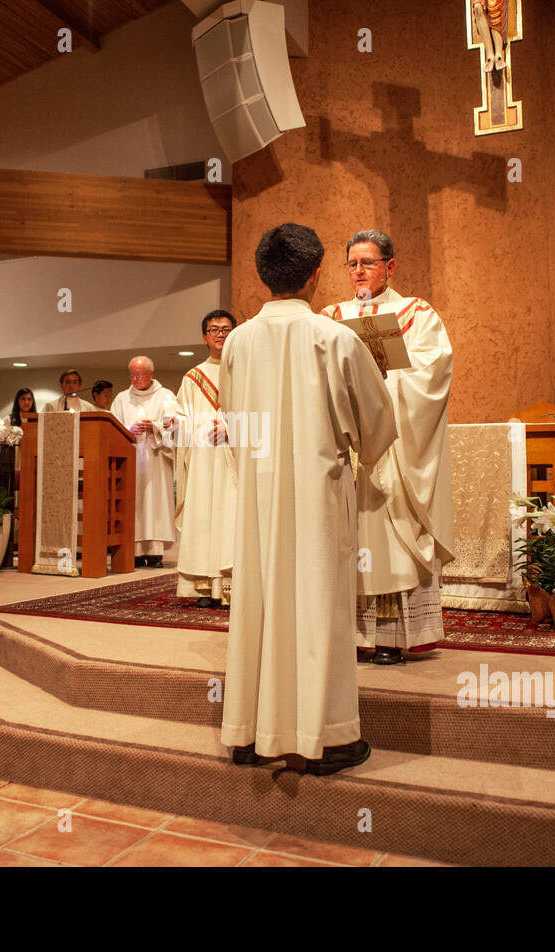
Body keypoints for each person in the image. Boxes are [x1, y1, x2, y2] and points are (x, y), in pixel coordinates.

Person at [220, 223, 396, 775]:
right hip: (317, 495)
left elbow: (232, 424)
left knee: (259, 604)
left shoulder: (238, 342)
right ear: (317, 274)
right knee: (318, 605)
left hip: (256, 493)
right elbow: (377, 427)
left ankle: (249, 732)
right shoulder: (336, 338)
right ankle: (327, 738)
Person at [321, 230, 455, 664]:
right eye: (352, 264)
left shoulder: (417, 314)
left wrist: (377, 384)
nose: (359, 272)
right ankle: (351, 635)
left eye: (369, 263)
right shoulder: (330, 316)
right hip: (345, 448)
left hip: (393, 450)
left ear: (391, 267)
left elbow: (430, 377)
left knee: (388, 537)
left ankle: (393, 638)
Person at [174, 309, 237, 608]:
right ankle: (202, 585)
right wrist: (173, 425)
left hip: (233, 461)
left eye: (226, 329)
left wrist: (233, 428)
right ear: (204, 337)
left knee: (231, 516)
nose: (221, 334)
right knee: (203, 518)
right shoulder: (192, 377)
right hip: (201, 460)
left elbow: (266, 418)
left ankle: (231, 585)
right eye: (214, 330)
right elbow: (180, 418)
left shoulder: (246, 371)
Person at [109, 356, 179, 567]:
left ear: (151, 373)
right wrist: (128, 430)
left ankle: (155, 552)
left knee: (154, 503)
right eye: (132, 374)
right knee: (133, 502)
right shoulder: (121, 399)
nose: (135, 378)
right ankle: (135, 551)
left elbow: (175, 427)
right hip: (130, 459)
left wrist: (155, 427)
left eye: (140, 374)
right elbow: (112, 427)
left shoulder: (166, 396)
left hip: (156, 459)